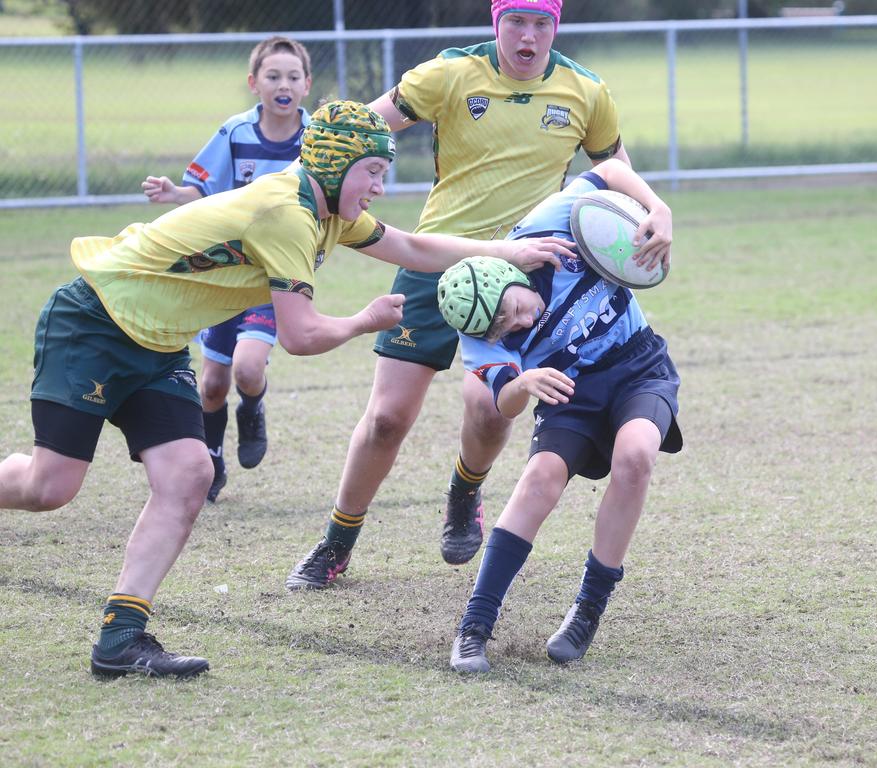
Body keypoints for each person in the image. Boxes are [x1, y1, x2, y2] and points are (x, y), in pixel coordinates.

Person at [0, 100, 570, 679]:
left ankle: (120, 637)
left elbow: (414, 248)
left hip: (156, 343)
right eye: (371, 170)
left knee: (189, 474)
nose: (380, 183)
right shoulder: (287, 213)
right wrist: (365, 321)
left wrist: (507, 252)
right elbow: (299, 336)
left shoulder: (326, 210)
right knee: (49, 487)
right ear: (334, 164)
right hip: (96, 320)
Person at [287, 0, 640, 591]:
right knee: (387, 419)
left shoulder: (586, 91)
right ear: (495, 23)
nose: (528, 37)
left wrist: (635, 232)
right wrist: (309, 178)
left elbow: (615, 173)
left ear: (556, 25)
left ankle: (465, 489)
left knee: (489, 405)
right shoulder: (449, 74)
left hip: (525, 273)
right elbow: (360, 131)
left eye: (541, 24)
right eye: (516, 23)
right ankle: (336, 542)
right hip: (435, 261)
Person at [435, 158, 679, 672]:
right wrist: (522, 382)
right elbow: (504, 404)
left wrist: (659, 208)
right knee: (539, 480)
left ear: (508, 274)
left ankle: (588, 608)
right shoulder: (479, 337)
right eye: (504, 330)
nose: (520, 323)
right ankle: (474, 627)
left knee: (635, 458)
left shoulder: (548, 225)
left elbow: (610, 168)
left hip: (638, 365)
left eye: (514, 309)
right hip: (567, 391)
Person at [141, 36, 314, 503]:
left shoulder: (316, 140)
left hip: (272, 277)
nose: (284, 85)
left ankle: (253, 407)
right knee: (213, 384)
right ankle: (213, 456)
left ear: (307, 84)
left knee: (247, 368)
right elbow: (205, 189)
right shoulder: (236, 133)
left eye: (293, 77)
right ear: (254, 82)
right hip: (223, 274)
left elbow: (330, 197)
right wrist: (176, 193)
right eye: (273, 76)